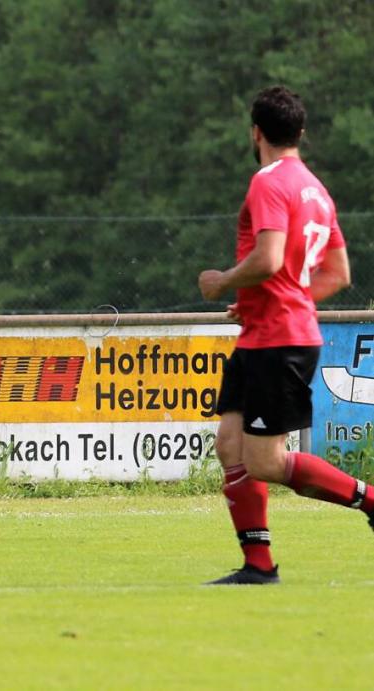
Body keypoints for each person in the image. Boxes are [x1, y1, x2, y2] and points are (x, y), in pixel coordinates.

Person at [198, 85, 366, 585]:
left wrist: (222, 281)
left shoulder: (268, 182)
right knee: (230, 443)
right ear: (301, 132)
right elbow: (337, 273)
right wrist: (272, 300)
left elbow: (270, 259)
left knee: (266, 461)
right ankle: (258, 565)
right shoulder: (314, 187)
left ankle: (370, 499)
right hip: (263, 333)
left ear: (256, 132)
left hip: (280, 341)